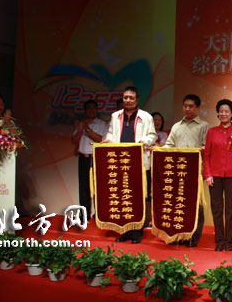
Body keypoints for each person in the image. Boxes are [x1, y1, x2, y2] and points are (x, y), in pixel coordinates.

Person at [103, 86, 157, 243]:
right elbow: (111, 133)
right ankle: (125, 230)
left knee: (139, 198)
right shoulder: (115, 116)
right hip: (120, 163)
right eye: (125, 97)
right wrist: (108, 140)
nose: (128, 100)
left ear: (137, 99)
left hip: (139, 163)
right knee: (123, 197)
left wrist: (143, 141)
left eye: (131, 98)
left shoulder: (146, 117)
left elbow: (152, 135)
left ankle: (137, 231)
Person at [165, 94, 210, 247]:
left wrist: (199, 150)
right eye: (185, 106)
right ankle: (178, 234)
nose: (187, 109)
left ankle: (194, 236)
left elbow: (207, 147)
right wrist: (158, 149)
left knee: (196, 204)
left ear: (198, 108)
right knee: (179, 203)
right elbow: (169, 146)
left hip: (196, 172)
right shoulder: (176, 126)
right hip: (178, 172)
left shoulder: (204, 126)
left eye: (191, 106)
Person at [203, 99, 232, 252]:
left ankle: (229, 240)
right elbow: (206, 155)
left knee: (230, 209)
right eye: (221, 111)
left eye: (227, 111)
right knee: (216, 208)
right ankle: (219, 240)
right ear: (217, 113)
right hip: (214, 175)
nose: (223, 114)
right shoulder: (212, 132)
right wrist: (207, 174)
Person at [71, 100, 108, 218]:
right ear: (85, 110)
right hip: (83, 158)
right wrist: (80, 130)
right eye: (89, 108)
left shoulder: (102, 124)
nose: (91, 110)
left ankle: (99, 214)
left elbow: (101, 139)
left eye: (93, 108)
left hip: (96, 158)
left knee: (98, 187)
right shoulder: (81, 124)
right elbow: (74, 141)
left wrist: (87, 129)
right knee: (84, 187)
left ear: (97, 110)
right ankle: (84, 214)